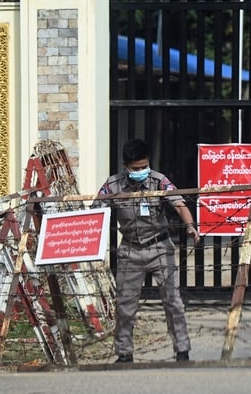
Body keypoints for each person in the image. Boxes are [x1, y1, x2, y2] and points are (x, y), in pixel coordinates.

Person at [92, 138, 200, 363]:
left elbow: (179, 203)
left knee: (173, 302)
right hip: (130, 250)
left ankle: (182, 350)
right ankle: (124, 353)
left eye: (144, 167)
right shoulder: (112, 186)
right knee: (125, 305)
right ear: (125, 166)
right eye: (136, 168)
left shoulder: (159, 181)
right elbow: (94, 213)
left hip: (160, 247)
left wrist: (190, 226)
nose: (141, 171)